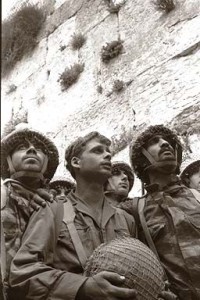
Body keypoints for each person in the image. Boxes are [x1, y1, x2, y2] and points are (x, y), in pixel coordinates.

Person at [9, 131, 138, 300]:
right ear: (76, 162)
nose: (107, 155)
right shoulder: (52, 208)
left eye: (108, 152)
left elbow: (140, 265)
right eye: (98, 151)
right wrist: (83, 287)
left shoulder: (126, 219)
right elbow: (23, 272)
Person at [127, 124, 200, 300]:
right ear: (142, 158)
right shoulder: (135, 210)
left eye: (168, 141)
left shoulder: (197, 195)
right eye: (155, 141)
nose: (165, 143)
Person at [1, 124, 59, 298]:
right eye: (21, 148)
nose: (32, 150)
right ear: (8, 161)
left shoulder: (56, 205)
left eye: (39, 149)